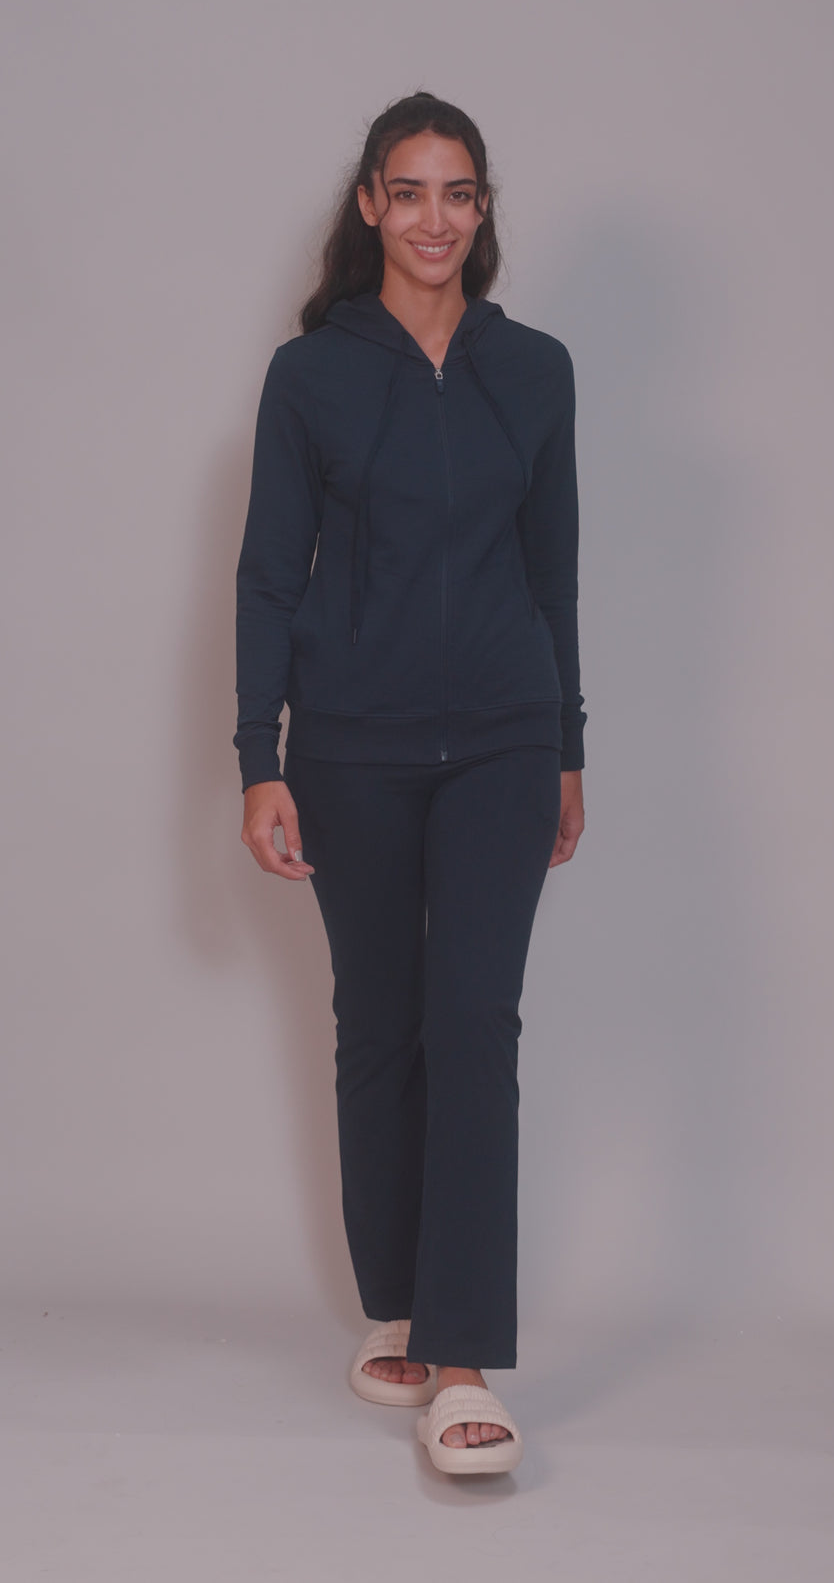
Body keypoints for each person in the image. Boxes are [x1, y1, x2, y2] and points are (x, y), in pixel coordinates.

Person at [233, 90, 587, 1475]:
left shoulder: (536, 370)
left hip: (503, 738)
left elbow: (554, 571)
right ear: (371, 206)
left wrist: (567, 745)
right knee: (378, 1027)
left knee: (473, 1021)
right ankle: (398, 1300)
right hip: (352, 747)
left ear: (482, 210)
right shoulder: (310, 375)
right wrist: (257, 761)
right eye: (410, 190)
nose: (435, 217)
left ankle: (465, 1355)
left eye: (460, 192)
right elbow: (270, 579)